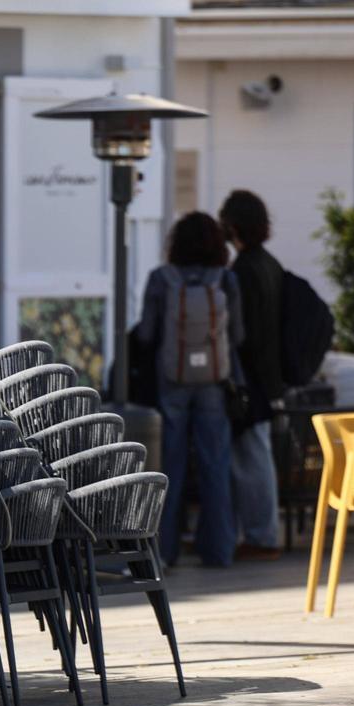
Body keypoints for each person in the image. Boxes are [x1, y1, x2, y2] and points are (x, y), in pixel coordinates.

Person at [136, 211, 245, 567]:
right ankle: (219, 551)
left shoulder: (160, 279)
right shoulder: (225, 280)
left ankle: (165, 551)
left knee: (171, 466)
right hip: (214, 380)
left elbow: (147, 335)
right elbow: (238, 336)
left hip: (173, 379)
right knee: (216, 465)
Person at [219, 189, 284, 561]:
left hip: (252, 378)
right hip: (270, 376)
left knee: (252, 459)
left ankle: (261, 536)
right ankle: (260, 533)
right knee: (257, 456)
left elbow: (245, 333)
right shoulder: (269, 263)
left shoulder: (243, 270)